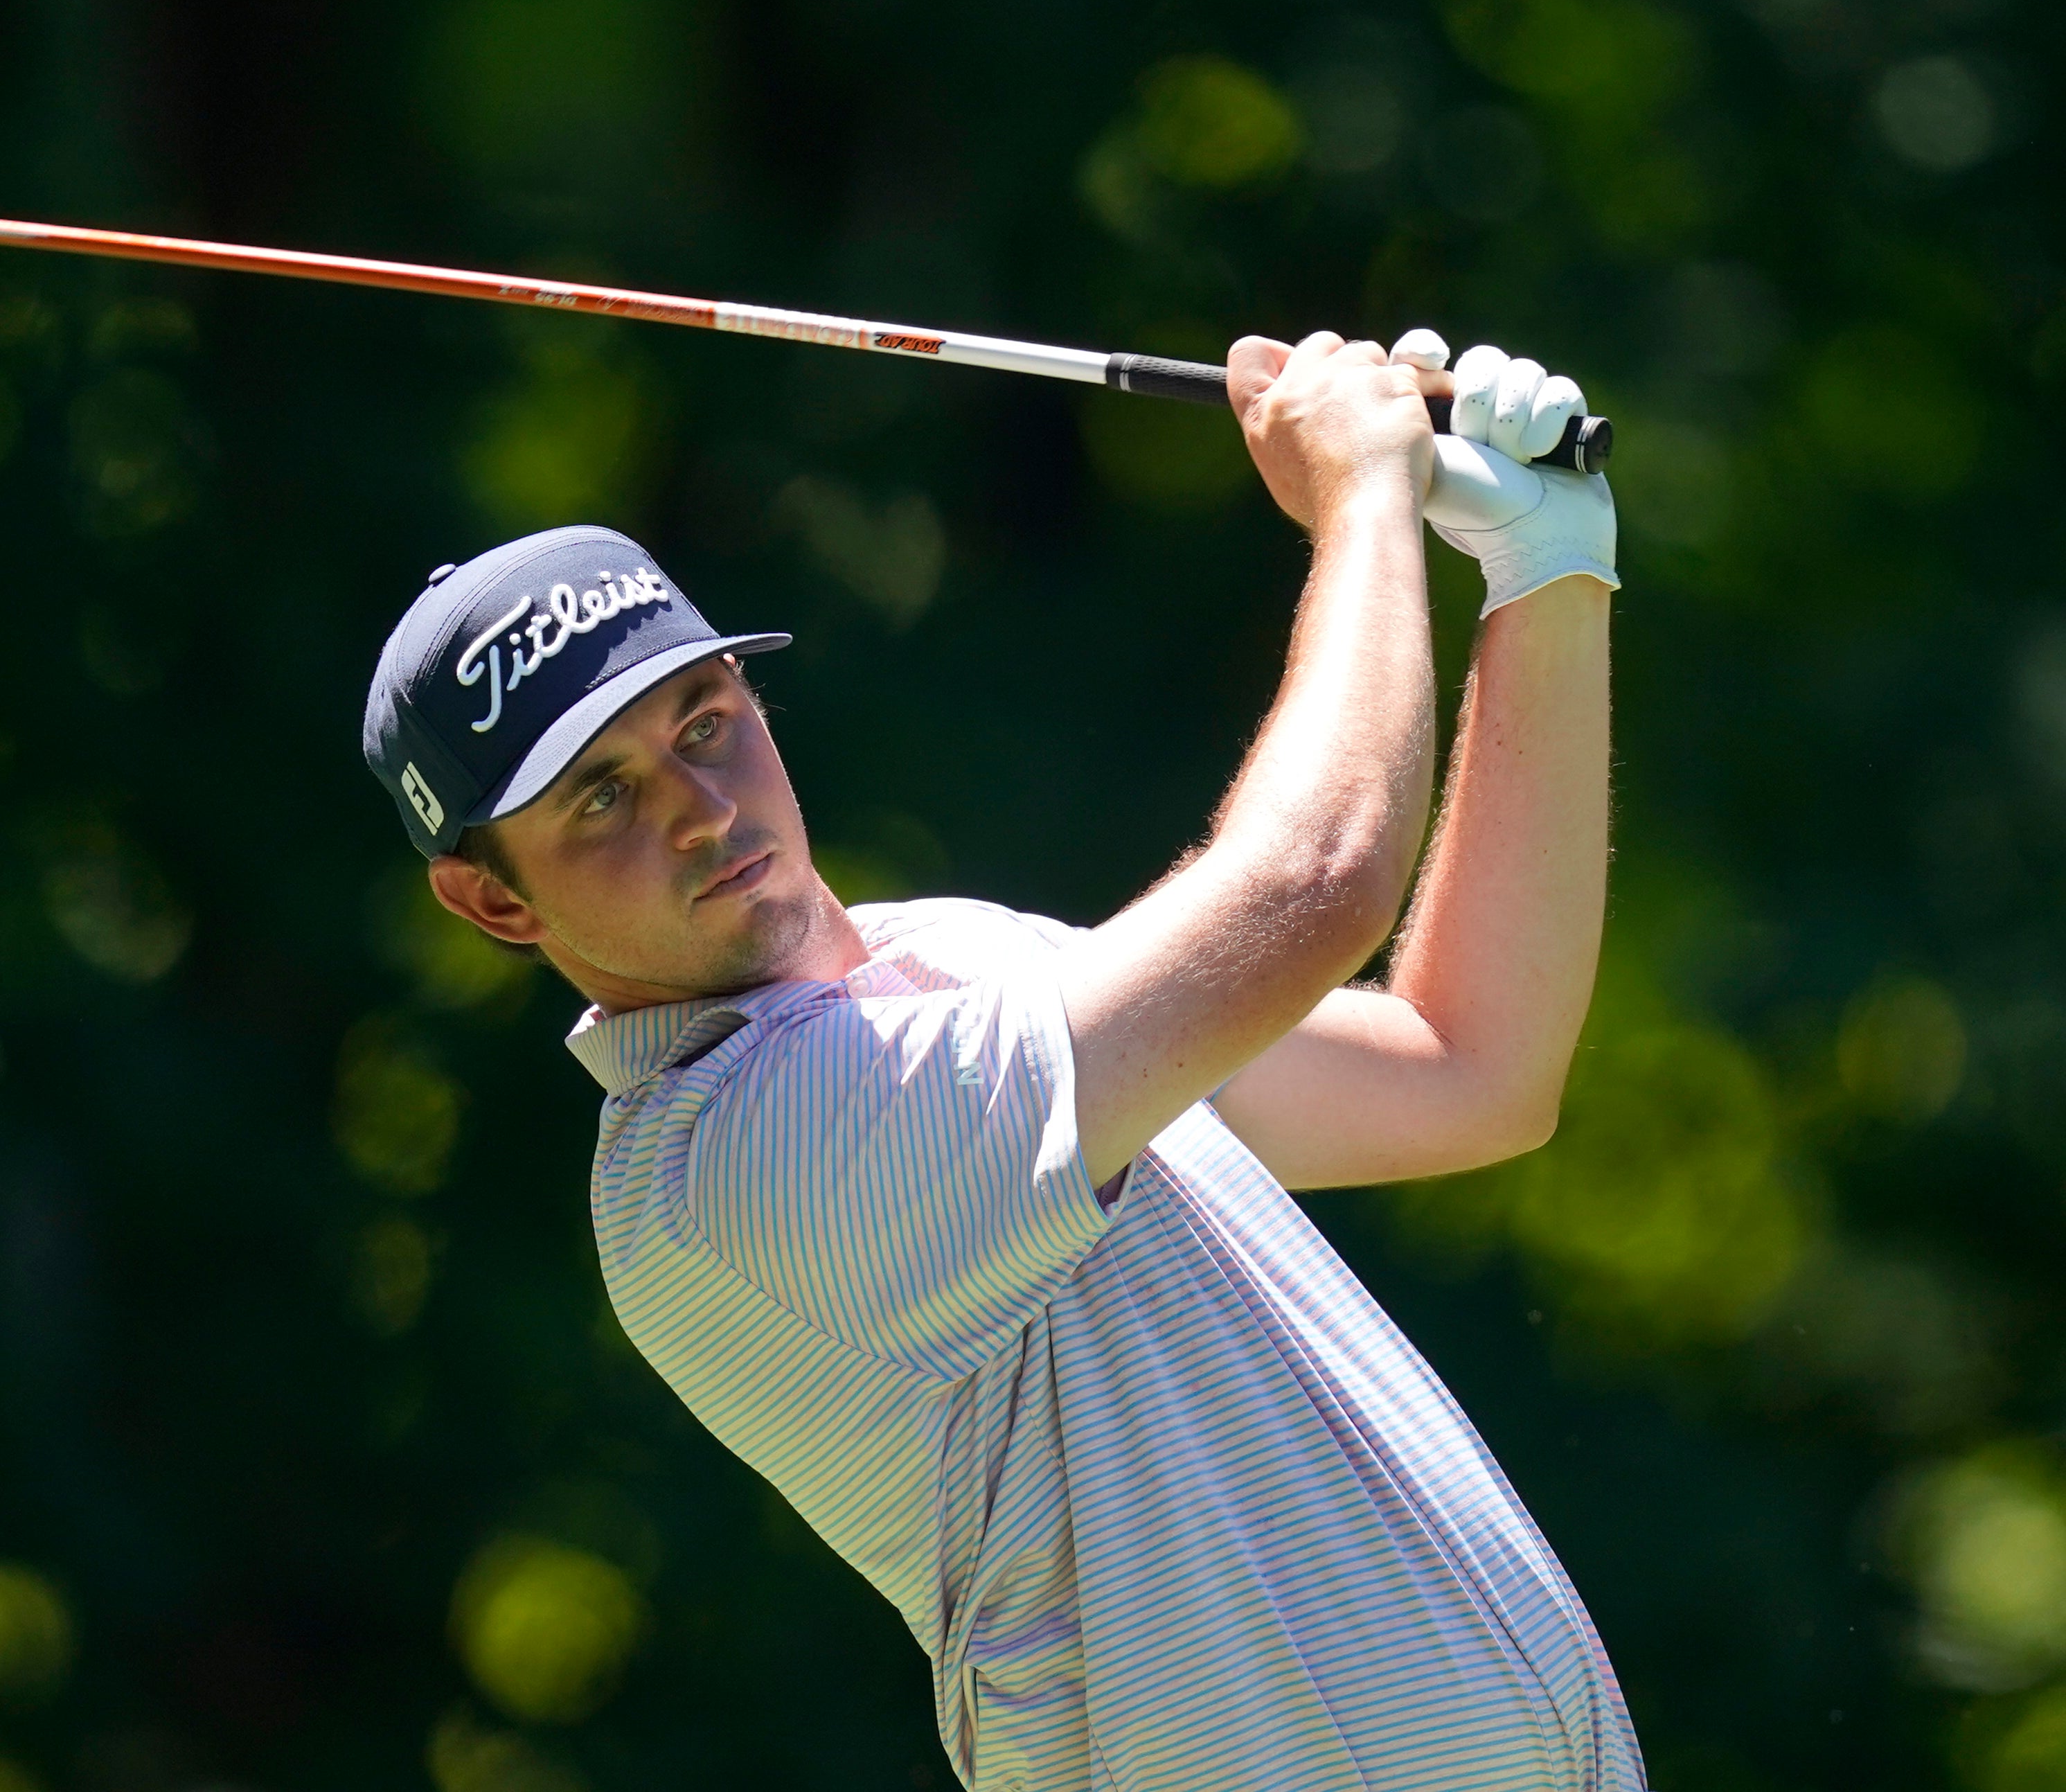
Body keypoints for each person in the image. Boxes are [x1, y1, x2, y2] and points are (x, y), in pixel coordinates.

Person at [360, 328, 1631, 1792]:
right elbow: (1313, 887)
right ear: (495, 900)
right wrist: (1360, 504)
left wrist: (1546, 579)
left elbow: (1467, 1066)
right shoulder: (734, 1160)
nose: (701, 807)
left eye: (705, 721)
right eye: (603, 795)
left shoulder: (952, 963)